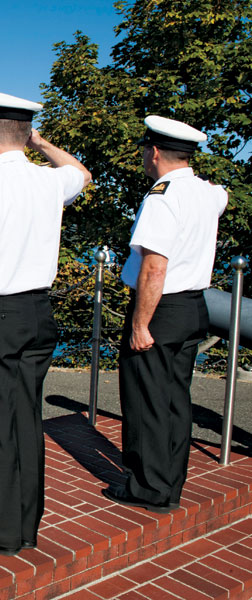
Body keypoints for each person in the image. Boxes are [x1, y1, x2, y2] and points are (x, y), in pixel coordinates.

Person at [0, 91, 91, 555]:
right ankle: (27, 523)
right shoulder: (48, 181)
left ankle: (0, 528)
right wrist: (40, 142)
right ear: (26, 134)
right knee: (26, 420)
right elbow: (82, 173)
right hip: (38, 312)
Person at [102, 115, 228, 513]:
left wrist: (140, 323)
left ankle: (147, 487)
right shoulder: (209, 193)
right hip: (194, 306)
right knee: (175, 399)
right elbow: (220, 197)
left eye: (145, 150)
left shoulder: (162, 197)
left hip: (161, 308)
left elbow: (154, 268)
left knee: (146, 400)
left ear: (154, 152)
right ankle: (170, 482)